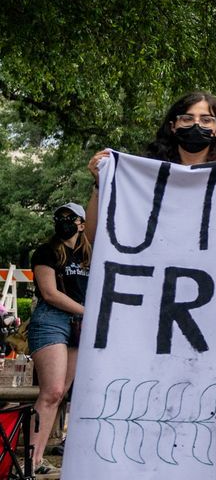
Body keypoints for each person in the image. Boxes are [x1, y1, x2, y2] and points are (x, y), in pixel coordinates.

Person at [85, 91, 216, 242]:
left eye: (206, 120)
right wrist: (99, 184)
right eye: (187, 118)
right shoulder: (144, 176)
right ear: (173, 126)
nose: (196, 124)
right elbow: (92, 237)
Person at [26, 203, 89, 473]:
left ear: (82, 223)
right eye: (60, 217)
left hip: (79, 325)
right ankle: (30, 460)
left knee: (60, 392)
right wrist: (90, 312)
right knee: (51, 391)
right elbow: (50, 293)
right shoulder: (46, 251)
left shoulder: (90, 254)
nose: (64, 221)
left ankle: (37, 459)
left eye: (70, 218)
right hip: (51, 319)